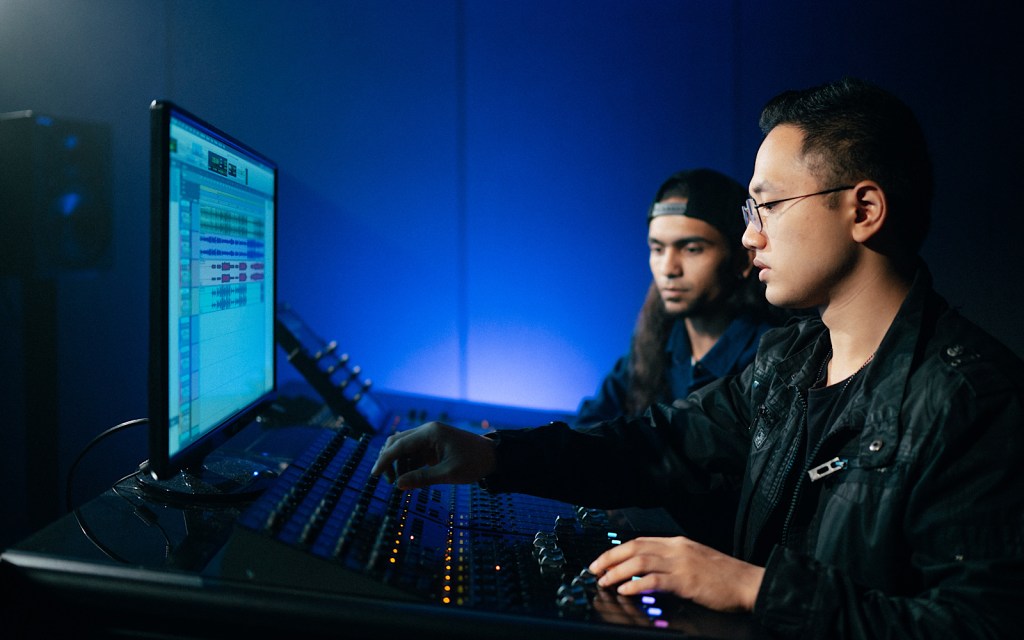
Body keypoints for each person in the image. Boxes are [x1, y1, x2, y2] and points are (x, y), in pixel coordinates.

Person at [371, 77, 1024, 638]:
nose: (750, 234)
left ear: (865, 209)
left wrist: (754, 588)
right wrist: (495, 457)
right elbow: (663, 444)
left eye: (767, 204)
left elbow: (977, 626)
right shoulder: (788, 360)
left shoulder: (976, 398)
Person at [574, 168, 782, 431]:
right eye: (657, 249)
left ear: (742, 259)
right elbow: (586, 429)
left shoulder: (773, 354)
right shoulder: (656, 343)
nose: (669, 268)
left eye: (692, 249)